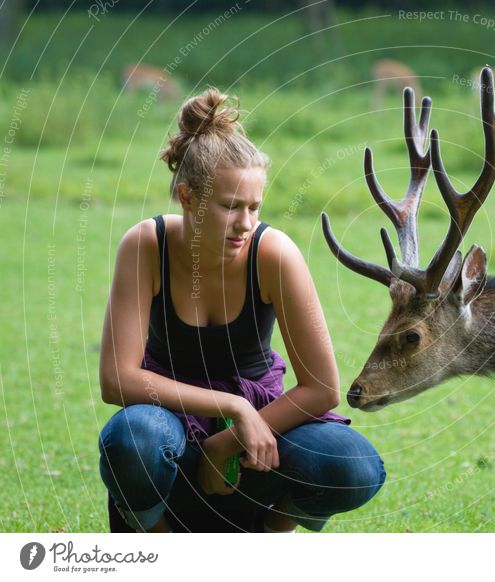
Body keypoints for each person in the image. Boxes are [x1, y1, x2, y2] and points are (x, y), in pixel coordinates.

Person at [97, 88, 385, 533]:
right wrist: (233, 406)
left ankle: (268, 537)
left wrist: (228, 440)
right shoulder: (146, 245)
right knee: (137, 437)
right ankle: (154, 544)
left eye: (254, 207)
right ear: (187, 197)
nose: (246, 224)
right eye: (230, 206)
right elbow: (118, 380)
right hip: (167, 418)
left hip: (259, 426)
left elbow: (323, 388)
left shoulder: (274, 255)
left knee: (353, 466)